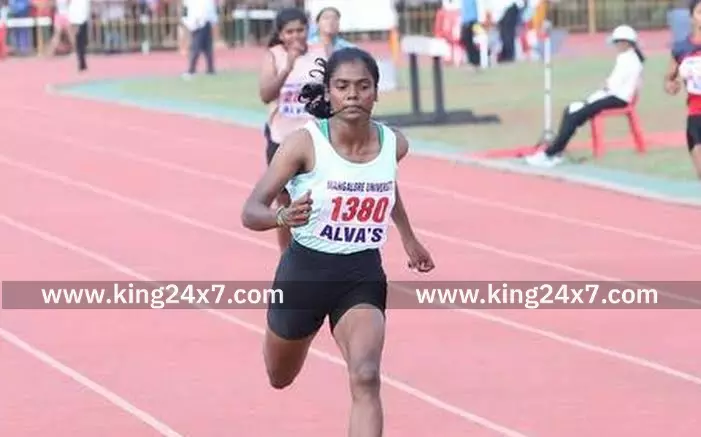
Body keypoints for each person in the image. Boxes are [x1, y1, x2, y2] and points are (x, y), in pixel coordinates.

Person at [241, 46, 435, 437]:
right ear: (328, 92)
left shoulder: (394, 144)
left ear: (376, 92)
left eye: (363, 86)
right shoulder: (303, 144)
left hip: (360, 272)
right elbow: (251, 210)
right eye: (342, 86)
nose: (353, 95)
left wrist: (408, 237)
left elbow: (384, 182)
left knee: (366, 375)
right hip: (304, 273)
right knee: (279, 376)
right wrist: (282, 217)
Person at [526, 24, 645, 168]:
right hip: (613, 96)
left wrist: (604, 86)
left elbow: (613, 84)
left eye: (617, 42)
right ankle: (556, 150)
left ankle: (551, 153)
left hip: (617, 99)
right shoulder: (629, 57)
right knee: (571, 110)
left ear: (625, 43)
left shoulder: (627, 60)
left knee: (576, 115)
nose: (615, 46)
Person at [258, 7, 327, 252]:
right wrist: (288, 66)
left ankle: (319, 251)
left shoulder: (320, 53)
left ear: (308, 30)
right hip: (282, 139)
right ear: (280, 34)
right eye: (289, 32)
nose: (296, 36)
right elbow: (266, 95)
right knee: (286, 203)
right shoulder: (274, 56)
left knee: (320, 199)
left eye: (300, 30)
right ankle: (287, 256)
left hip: (315, 139)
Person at [664, 0, 701, 179]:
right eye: (700, 13)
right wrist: (672, 86)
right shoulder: (681, 48)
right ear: (692, 17)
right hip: (696, 116)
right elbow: (669, 80)